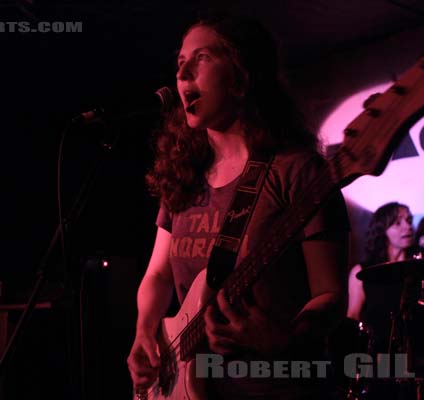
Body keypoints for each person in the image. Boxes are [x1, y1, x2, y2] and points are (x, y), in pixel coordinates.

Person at [127, 16, 349, 399]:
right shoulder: (184, 176)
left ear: (241, 75)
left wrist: (285, 337)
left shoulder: (295, 171)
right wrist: (145, 330)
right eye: (180, 60)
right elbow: (158, 275)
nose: (182, 71)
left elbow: (331, 296)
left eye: (201, 57)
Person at [346, 202, 422, 400]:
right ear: (382, 229)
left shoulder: (420, 271)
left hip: (414, 357)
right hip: (377, 362)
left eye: (408, 220)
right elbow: (353, 318)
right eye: (397, 223)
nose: (407, 226)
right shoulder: (361, 272)